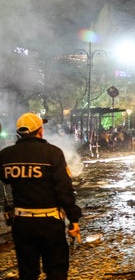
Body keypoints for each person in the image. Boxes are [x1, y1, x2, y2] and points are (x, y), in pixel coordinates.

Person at [0, 112, 82, 280]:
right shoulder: (52, 153)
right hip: (50, 223)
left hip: (22, 223)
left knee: (28, 273)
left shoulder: (6, 155)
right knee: (56, 270)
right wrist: (74, 220)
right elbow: (64, 189)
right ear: (40, 130)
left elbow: (4, 181)